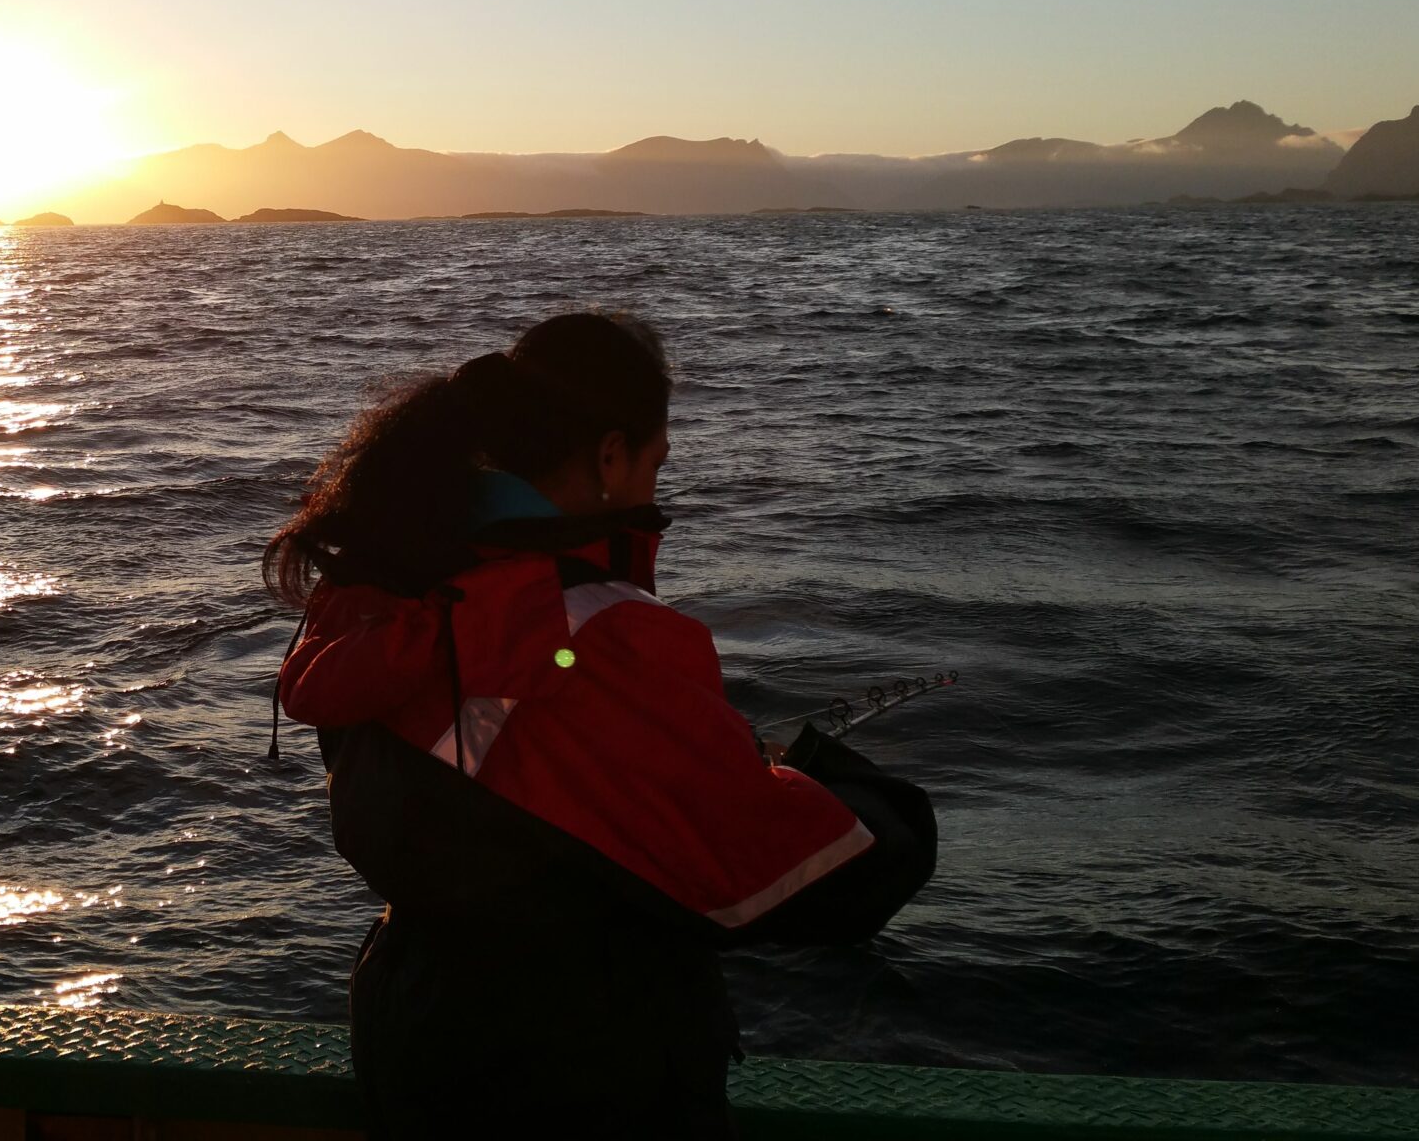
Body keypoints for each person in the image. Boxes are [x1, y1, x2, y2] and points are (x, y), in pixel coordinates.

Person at [268, 311, 935, 1138]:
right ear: (612, 456)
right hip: (577, 1071)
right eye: (657, 461)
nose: (657, 489)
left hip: (418, 1032)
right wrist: (875, 802)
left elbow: (513, 799)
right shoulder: (592, 630)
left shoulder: (384, 593)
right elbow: (789, 876)